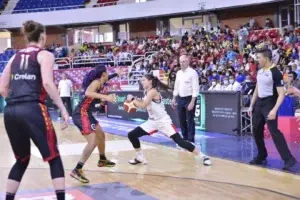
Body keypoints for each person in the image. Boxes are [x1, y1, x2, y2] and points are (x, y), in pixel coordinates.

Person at [0, 20, 69, 200]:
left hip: (11, 111)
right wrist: (63, 109)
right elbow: (47, 82)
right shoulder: (44, 54)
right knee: (53, 157)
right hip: (33, 108)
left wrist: (15, 102)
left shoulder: (14, 57)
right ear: (43, 36)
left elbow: (2, 87)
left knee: (21, 159)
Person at [125, 74, 211, 166]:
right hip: (152, 121)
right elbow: (142, 104)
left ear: (150, 81)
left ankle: (203, 156)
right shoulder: (146, 91)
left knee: (180, 142)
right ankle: (140, 157)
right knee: (132, 135)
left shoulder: (153, 91)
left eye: (144, 80)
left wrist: (132, 99)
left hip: (163, 121)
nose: (142, 82)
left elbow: (143, 105)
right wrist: (134, 101)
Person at [70, 65, 122, 183]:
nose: (108, 75)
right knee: (93, 141)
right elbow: (88, 92)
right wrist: (106, 97)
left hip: (87, 113)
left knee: (101, 134)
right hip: (81, 113)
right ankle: (77, 169)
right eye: (107, 73)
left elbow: (108, 78)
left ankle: (102, 159)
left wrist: (116, 74)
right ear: (103, 74)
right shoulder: (96, 82)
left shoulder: (102, 80)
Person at [247, 48, 296, 170]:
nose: (257, 60)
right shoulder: (259, 71)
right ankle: (262, 155)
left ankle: (289, 159)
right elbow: (257, 90)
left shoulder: (275, 72)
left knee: (274, 131)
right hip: (259, 103)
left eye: (259, 57)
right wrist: (251, 105)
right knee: (256, 130)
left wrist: (274, 110)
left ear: (266, 58)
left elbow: (281, 94)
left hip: (270, 102)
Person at [172, 55, 199, 143]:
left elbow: (195, 89)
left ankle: (191, 139)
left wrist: (192, 102)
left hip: (189, 98)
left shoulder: (193, 72)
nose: (182, 63)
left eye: (183, 61)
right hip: (180, 98)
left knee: (190, 119)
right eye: (180, 62)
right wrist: (174, 98)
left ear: (188, 62)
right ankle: (185, 138)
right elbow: (176, 86)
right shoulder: (178, 73)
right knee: (181, 119)